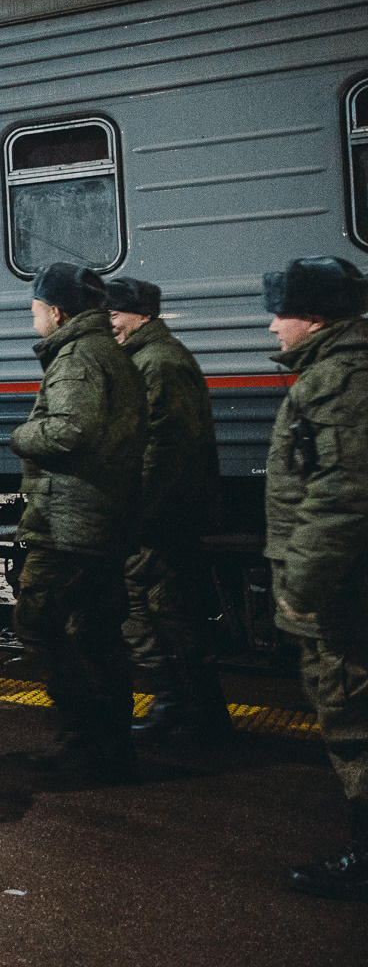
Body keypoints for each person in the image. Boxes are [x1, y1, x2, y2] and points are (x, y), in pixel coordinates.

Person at [11, 262, 148, 784]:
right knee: (95, 633)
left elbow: (69, 431)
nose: (33, 321)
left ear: (58, 311)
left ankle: (84, 739)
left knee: (37, 621)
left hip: (71, 523)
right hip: (102, 516)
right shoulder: (108, 352)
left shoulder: (76, 358)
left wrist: (21, 437)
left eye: (35, 311)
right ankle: (112, 747)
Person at [260, 257, 368, 900]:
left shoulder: (337, 379)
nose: (273, 327)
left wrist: (300, 588)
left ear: (316, 318)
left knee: (351, 714)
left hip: (344, 589)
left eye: (283, 312)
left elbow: (343, 496)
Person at [104, 276, 234, 741]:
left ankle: (192, 709)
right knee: (149, 607)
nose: (109, 322)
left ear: (140, 314)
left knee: (163, 610)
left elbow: (162, 450)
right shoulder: (148, 357)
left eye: (115, 314)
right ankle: (183, 704)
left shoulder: (158, 362)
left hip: (160, 516)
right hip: (156, 513)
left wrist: (134, 514)